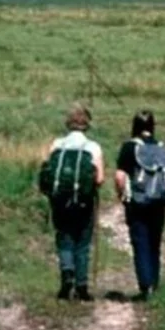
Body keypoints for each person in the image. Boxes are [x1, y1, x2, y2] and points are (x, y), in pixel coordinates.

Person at [40, 103, 103, 301]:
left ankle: (67, 274)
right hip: (84, 202)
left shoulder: (57, 144)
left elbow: (47, 171)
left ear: (68, 124)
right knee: (82, 243)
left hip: (59, 201)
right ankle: (82, 286)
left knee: (64, 238)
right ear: (87, 125)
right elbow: (99, 178)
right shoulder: (92, 147)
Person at [114, 109, 165, 301]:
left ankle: (146, 286)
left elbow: (119, 176)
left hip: (138, 203)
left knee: (140, 242)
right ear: (152, 126)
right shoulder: (163, 148)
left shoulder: (129, 147)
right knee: (154, 243)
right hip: (160, 202)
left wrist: (122, 196)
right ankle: (155, 284)